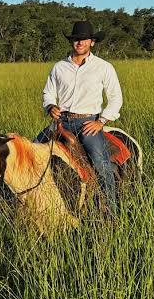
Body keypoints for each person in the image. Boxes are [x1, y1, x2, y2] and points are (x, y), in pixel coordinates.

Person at [36, 21, 123, 214]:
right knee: (32, 151)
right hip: (61, 122)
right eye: (75, 39)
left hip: (88, 122)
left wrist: (101, 121)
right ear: (71, 42)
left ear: (92, 42)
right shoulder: (59, 67)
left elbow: (116, 98)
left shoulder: (104, 67)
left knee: (101, 164)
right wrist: (50, 106)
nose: (79, 42)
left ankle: (112, 209)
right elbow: (48, 93)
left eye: (83, 39)